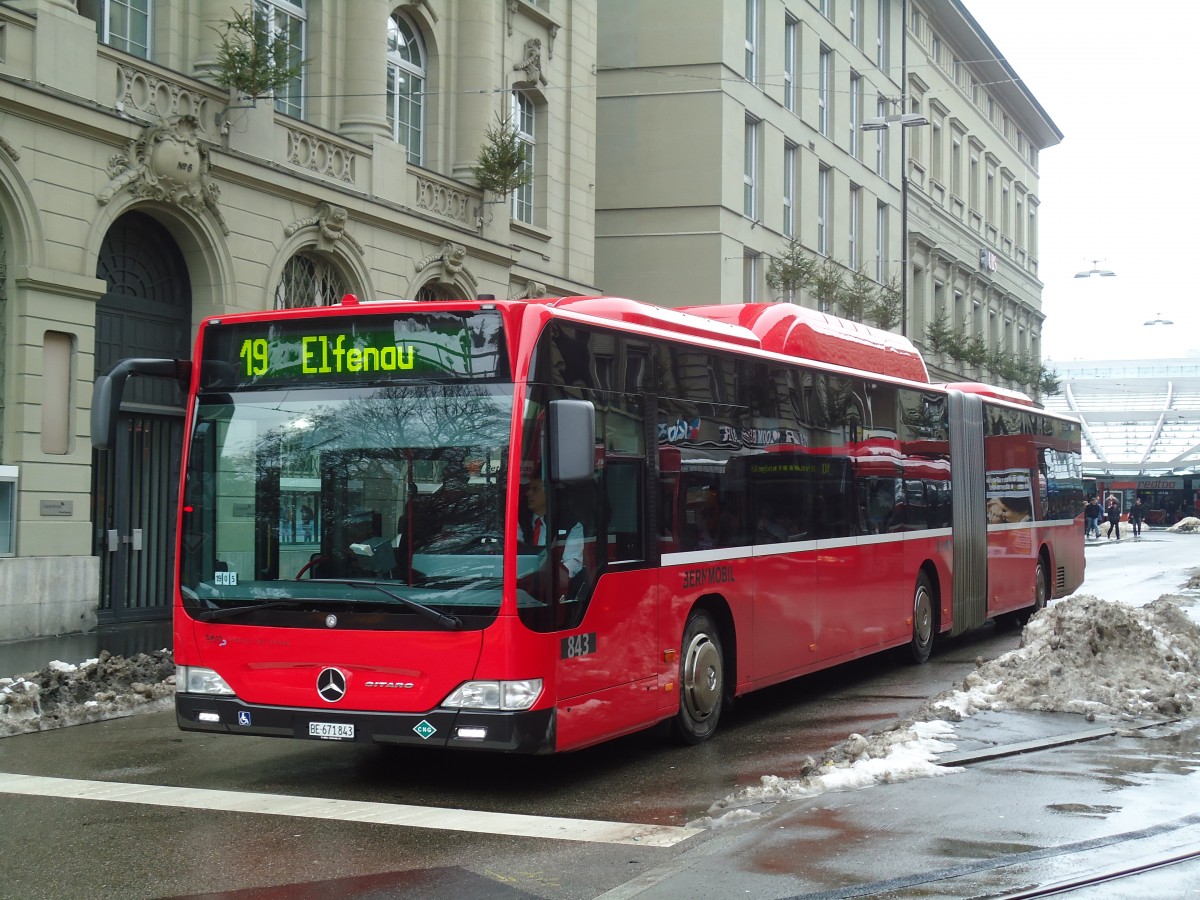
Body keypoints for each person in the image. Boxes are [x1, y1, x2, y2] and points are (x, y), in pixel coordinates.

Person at [517, 478, 585, 600]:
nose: (528, 494)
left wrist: (548, 579)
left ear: (549, 492)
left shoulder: (571, 523)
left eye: (535, 489)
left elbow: (573, 563)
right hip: (519, 588)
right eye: (528, 489)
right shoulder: (518, 520)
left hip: (553, 592)